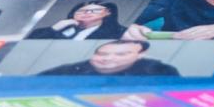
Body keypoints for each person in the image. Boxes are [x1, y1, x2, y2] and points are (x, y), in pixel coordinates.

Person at [40, 37, 179, 77]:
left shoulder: (159, 72)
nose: (108, 58)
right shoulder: (67, 71)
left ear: (140, 56)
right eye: (102, 54)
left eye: (121, 54)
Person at [32, 0, 127, 41]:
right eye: (81, 11)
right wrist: (54, 28)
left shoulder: (120, 32)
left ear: (108, 13)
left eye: (95, 10)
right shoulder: (60, 28)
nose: (87, 13)